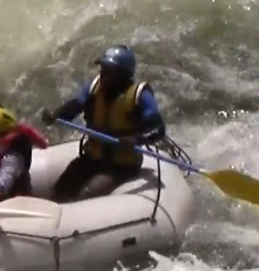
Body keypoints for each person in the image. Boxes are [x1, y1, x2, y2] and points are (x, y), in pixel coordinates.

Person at [40, 44, 166, 202]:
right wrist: (55, 115)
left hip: (121, 166)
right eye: (102, 68)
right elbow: (75, 106)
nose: (102, 73)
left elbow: (158, 129)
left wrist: (137, 140)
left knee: (89, 193)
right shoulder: (95, 88)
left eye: (108, 70)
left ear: (122, 74)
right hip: (92, 158)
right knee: (62, 187)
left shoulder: (140, 95)